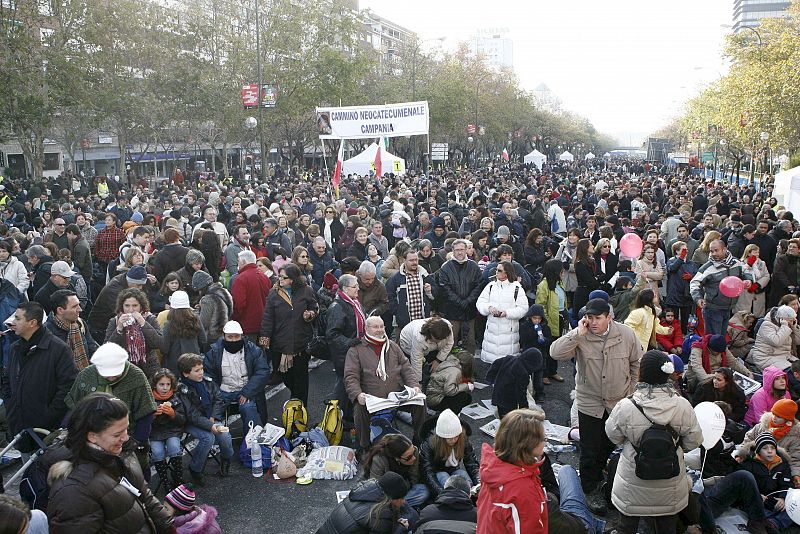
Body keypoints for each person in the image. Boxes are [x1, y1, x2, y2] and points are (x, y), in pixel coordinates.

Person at [550, 298, 642, 514]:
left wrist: (632, 392)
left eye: (597, 318)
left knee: (610, 443)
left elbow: (637, 362)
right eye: (589, 317)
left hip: (617, 402)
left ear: (609, 317)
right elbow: (555, 352)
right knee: (590, 449)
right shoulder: (581, 334)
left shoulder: (626, 334)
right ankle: (588, 489)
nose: (592, 322)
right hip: (589, 402)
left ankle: (599, 472)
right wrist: (576, 334)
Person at [604, 350, 704, 534]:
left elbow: (613, 436)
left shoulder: (627, 406)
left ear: (642, 374)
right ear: (668, 375)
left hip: (632, 482)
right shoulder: (682, 405)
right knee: (667, 527)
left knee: (626, 527)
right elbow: (694, 441)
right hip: (670, 483)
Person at [47, 393, 173, 533]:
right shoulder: (73, 491)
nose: (125, 438)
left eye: (126, 429)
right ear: (92, 436)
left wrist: (170, 527)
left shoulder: (122, 451)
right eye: (117, 434)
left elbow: (144, 495)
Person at [1, 302, 77, 450]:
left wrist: (48, 415)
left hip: (47, 432)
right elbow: (6, 380)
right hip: (19, 426)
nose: (12, 322)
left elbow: (68, 386)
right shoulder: (14, 348)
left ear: (32, 323)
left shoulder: (59, 349)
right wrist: (11, 405)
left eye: (17, 318)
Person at [344, 316, 425, 450]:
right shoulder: (356, 350)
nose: (380, 330)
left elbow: (406, 368)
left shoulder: (393, 346)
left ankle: (418, 438)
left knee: (421, 402)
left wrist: (414, 386)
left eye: (382, 326)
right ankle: (365, 445)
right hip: (372, 397)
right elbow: (350, 376)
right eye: (375, 327)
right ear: (366, 329)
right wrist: (358, 395)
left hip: (397, 394)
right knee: (359, 408)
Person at [476, 408, 548, 534]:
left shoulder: (492, 468)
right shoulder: (523, 489)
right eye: (542, 438)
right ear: (527, 444)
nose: (545, 442)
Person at [259, 263, 318, 404]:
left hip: (301, 342)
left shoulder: (306, 290)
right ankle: (295, 396)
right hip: (280, 342)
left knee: (301, 377)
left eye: (284, 277)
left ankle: (300, 407)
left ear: (293, 279)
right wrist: (265, 336)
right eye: (279, 276)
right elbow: (268, 316)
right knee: (284, 374)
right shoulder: (274, 293)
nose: (280, 279)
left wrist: (310, 314)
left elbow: (315, 307)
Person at [177, 353, 234, 486]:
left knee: (225, 436)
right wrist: (210, 425)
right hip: (191, 422)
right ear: (186, 374)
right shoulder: (182, 390)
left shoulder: (207, 382)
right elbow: (191, 414)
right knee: (208, 438)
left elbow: (219, 399)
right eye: (196, 370)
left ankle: (225, 460)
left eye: (201, 369)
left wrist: (213, 418)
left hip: (211, 418)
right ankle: (195, 469)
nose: (201, 372)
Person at [204, 320, 270, 435]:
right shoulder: (214, 352)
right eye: (230, 337)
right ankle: (219, 442)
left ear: (242, 336)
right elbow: (208, 375)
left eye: (236, 337)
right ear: (224, 336)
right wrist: (216, 393)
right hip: (222, 392)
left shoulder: (254, 350)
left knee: (249, 408)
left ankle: (250, 440)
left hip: (245, 391)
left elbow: (263, 372)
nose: (234, 340)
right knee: (211, 414)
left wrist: (247, 392)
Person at [315, 472, 416, 534]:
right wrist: (402, 528)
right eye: (401, 498)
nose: (403, 501)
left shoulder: (361, 492)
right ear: (391, 498)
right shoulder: (381, 514)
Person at [690, 239, 753, 335]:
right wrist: (698, 298)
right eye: (711, 251)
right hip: (712, 308)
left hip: (728, 308)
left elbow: (746, 271)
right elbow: (694, 283)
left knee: (722, 338)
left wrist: (748, 280)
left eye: (716, 250)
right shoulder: (708, 268)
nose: (714, 253)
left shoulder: (736, 262)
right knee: (714, 340)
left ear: (724, 249)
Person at [326, 273, 364, 428]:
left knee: (348, 382)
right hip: (344, 354)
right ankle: (337, 417)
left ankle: (345, 415)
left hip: (352, 351)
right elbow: (332, 335)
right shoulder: (337, 307)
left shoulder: (352, 302)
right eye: (354, 286)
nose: (358, 289)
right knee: (344, 383)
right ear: (344, 288)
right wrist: (352, 342)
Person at [737, 399, 800, 488]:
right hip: (755, 464)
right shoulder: (762, 426)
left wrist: (796, 475)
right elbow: (748, 439)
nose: (774, 417)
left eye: (779, 416)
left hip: (777, 471)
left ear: (787, 419)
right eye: (773, 414)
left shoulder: (795, 435)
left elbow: (795, 459)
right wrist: (741, 455)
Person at [436, 239, 484, 354]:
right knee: (451, 342)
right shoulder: (445, 268)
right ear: (453, 251)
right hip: (452, 312)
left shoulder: (474, 266)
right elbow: (445, 289)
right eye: (457, 250)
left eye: (462, 249)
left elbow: (479, 285)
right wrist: (459, 302)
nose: (460, 252)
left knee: (470, 342)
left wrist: (468, 301)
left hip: (469, 311)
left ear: (466, 250)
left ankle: (469, 368)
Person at [475, 261, 528, 364]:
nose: (496, 272)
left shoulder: (517, 288)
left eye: (499, 270)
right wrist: (488, 308)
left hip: (509, 332)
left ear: (507, 273)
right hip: (491, 332)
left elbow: (523, 308)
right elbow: (480, 302)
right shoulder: (491, 286)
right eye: (496, 270)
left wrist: (507, 313)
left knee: (507, 366)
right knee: (491, 369)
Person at [104, 287, 163, 379]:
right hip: (124, 368)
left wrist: (143, 323)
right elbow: (107, 348)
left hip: (148, 367)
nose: (131, 310)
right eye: (127, 306)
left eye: (135, 306)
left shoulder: (150, 319)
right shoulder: (114, 321)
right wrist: (119, 328)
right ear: (122, 306)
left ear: (141, 306)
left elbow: (158, 343)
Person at [420, 409, 480, 499]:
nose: (453, 440)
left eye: (456, 437)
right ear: (441, 437)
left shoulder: (463, 439)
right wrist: (441, 493)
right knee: (445, 478)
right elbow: (428, 472)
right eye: (449, 438)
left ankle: (468, 501)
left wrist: (479, 483)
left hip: (454, 469)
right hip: (437, 472)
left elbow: (472, 463)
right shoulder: (429, 443)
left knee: (463, 476)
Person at [363, 434, 430, 508]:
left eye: (413, 452)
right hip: (388, 495)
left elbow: (414, 477)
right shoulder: (379, 460)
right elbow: (377, 488)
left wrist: (403, 491)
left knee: (423, 491)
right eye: (408, 457)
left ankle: (397, 508)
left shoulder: (414, 451)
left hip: (405, 489)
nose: (413, 458)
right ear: (396, 458)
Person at [88, 263, 149, 343]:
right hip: (100, 327)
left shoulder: (129, 282)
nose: (140, 288)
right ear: (130, 282)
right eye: (138, 285)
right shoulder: (114, 289)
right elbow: (123, 312)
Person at [149, 368, 187, 492]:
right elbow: (144, 422)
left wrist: (173, 414)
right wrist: (153, 416)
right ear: (155, 385)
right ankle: (165, 481)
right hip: (155, 433)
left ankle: (178, 478)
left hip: (173, 430)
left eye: (168, 384)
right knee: (157, 452)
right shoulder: (150, 400)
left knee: (174, 447)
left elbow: (182, 420)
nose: (165, 388)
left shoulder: (175, 397)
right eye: (161, 384)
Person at [45, 288, 99, 370]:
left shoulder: (80, 324)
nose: (80, 309)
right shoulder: (47, 333)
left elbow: (92, 348)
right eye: (74, 307)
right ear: (60, 310)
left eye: (79, 305)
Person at [386, 249, 433, 337]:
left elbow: (436, 293)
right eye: (411, 260)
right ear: (404, 261)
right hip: (403, 323)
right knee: (402, 347)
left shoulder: (424, 275)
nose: (414, 262)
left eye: (416, 260)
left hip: (422, 322)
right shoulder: (395, 278)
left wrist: (430, 290)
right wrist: (398, 312)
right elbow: (389, 297)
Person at [486, 348, 543, 418]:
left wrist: (490, 378)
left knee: (502, 415)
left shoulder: (511, 358)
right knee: (510, 418)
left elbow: (496, 363)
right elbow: (521, 393)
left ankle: (502, 424)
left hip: (498, 393)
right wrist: (524, 409)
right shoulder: (523, 374)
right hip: (509, 400)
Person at [161, 290, 207, 375]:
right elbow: (203, 340)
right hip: (194, 363)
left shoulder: (169, 324)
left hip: (175, 366)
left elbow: (164, 348)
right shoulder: (195, 319)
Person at [685, 333, 753, 390]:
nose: (719, 354)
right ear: (710, 348)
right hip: (698, 379)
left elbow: (733, 362)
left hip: (718, 376)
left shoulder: (722, 349)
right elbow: (698, 369)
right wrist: (718, 378)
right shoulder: (697, 349)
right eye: (717, 352)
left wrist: (747, 373)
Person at [231, 250, 271, 341]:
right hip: (263, 325)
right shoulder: (264, 277)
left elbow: (239, 303)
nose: (237, 264)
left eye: (238, 261)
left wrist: (234, 319)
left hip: (246, 325)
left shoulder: (240, 279)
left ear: (243, 262)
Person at [399, 317, 454, 384]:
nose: (439, 341)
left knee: (432, 366)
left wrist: (438, 360)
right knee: (414, 369)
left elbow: (449, 343)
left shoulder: (447, 328)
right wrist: (418, 382)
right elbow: (416, 360)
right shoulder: (418, 337)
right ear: (430, 333)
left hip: (430, 348)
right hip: (408, 344)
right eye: (436, 339)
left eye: (441, 340)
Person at [749, 304, 800, 372]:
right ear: (782, 319)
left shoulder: (788, 325)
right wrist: (785, 326)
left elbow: (798, 341)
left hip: (784, 356)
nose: (792, 322)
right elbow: (776, 342)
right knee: (792, 373)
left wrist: (794, 328)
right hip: (766, 357)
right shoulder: (767, 325)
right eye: (790, 320)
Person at [426, 349, 474, 415]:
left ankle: (442, 412)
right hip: (435, 400)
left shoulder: (449, 363)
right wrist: (466, 386)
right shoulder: (456, 371)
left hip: (433, 395)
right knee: (463, 397)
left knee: (467, 397)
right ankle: (450, 416)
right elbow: (449, 391)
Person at [192, 270, 233, 342]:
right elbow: (229, 309)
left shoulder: (207, 299)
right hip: (224, 332)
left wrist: (195, 313)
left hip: (212, 336)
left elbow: (203, 323)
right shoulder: (224, 291)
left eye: (199, 290)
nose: (199, 292)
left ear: (202, 287)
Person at [736, 244, 770, 316]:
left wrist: (758, 284)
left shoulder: (762, 263)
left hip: (758, 293)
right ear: (748, 253)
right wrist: (748, 265)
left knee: (757, 315)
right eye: (755, 252)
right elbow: (738, 275)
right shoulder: (740, 263)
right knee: (744, 315)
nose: (757, 254)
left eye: (758, 252)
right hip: (745, 295)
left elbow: (766, 276)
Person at [572, 238, 601, 319]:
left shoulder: (592, 261)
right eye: (591, 245)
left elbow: (602, 275)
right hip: (583, 295)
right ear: (585, 248)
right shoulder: (580, 264)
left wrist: (597, 278)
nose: (593, 246)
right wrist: (597, 279)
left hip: (591, 292)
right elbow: (590, 281)